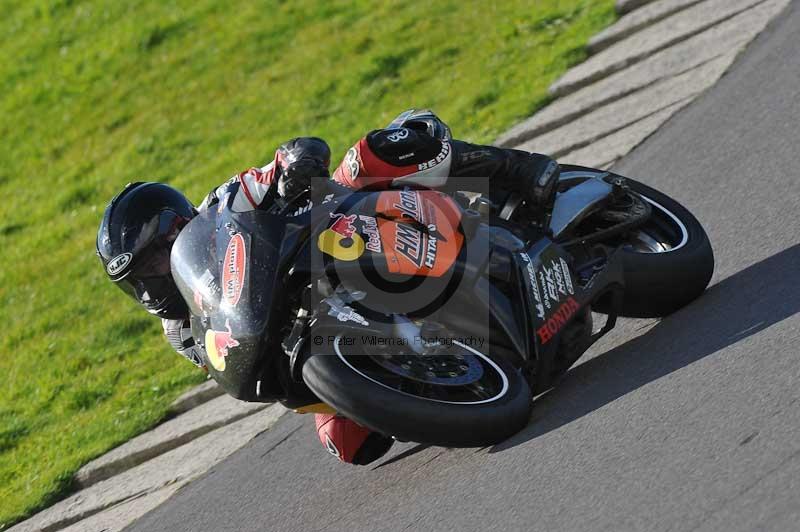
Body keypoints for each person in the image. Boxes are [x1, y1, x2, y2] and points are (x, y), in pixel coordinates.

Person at [96, 109, 560, 465]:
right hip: (313, 322)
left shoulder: (224, 203)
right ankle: (447, 360)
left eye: (158, 253)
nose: (154, 275)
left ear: (181, 225)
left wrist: (297, 166)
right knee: (349, 442)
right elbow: (252, 367)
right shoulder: (182, 334)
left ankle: (518, 171)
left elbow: (297, 152)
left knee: (371, 154)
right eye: (139, 273)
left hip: (342, 229)